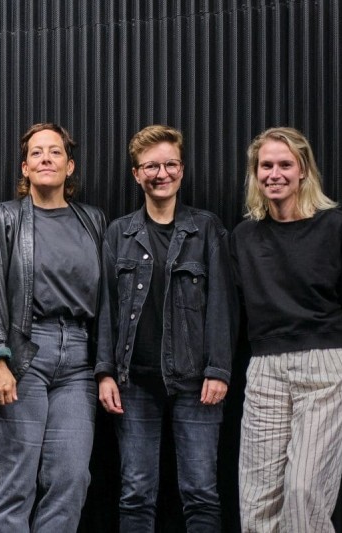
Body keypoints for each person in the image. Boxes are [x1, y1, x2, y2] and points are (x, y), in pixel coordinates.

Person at [232, 127, 342, 532]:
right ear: (255, 173)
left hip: (326, 366)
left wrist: (340, 357)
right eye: (265, 165)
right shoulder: (244, 236)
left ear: (303, 171)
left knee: (304, 492)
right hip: (265, 366)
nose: (274, 173)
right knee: (257, 498)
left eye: (285, 164)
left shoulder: (334, 226)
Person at [0, 123, 106, 532]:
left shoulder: (92, 220)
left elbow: (109, 299)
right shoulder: (2, 217)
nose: (46, 159)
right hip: (22, 353)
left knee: (72, 479)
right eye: (37, 153)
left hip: (78, 360)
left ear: (70, 165)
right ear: (24, 168)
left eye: (55, 152)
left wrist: (106, 364)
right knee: (14, 483)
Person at [95, 125, 236, 532]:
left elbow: (224, 305)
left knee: (201, 493)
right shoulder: (119, 233)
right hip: (133, 382)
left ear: (183, 169)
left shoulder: (206, 229)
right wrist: (104, 372)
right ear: (136, 174)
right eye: (151, 166)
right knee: (136, 494)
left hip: (197, 382)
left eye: (170, 164)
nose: (162, 173)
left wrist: (218, 369)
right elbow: (106, 307)